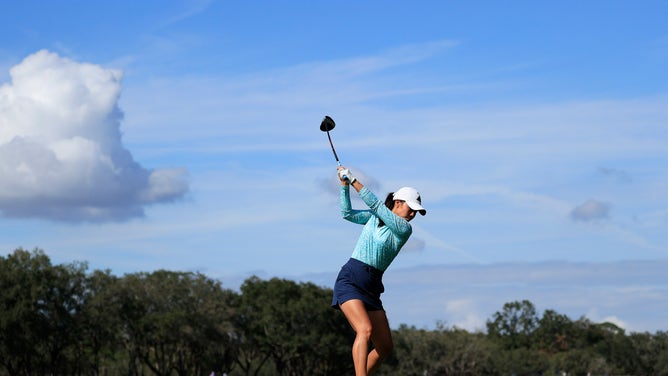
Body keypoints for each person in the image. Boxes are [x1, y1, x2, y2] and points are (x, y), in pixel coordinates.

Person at [331, 166, 426, 376]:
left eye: (416, 212)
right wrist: (345, 185)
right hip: (351, 278)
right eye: (410, 208)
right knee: (365, 330)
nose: (412, 214)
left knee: (385, 347)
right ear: (398, 203)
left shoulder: (404, 228)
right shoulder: (374, 217)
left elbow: (376, 204)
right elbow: (347, 213)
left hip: (372, 287)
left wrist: (354, 179)